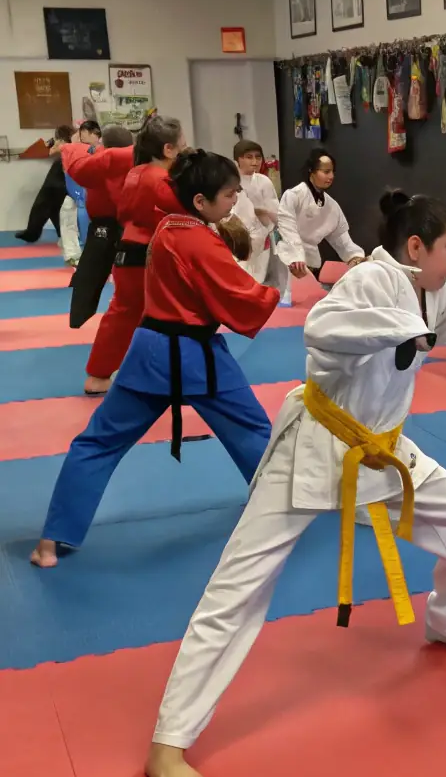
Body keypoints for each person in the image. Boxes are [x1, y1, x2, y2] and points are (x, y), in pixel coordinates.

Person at [144, 187, 446, 777]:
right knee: (238, 587)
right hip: (313, 448)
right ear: (415, 248)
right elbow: (322, 326)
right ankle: (168, 742)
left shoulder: (431, 291)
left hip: (381, 452)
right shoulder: (369, 283)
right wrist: (406, 328)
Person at [30, 150, 278, 571]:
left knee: (98, 443)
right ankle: (280, 511)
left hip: (149, 353)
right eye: (229, 194)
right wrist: (273, 284)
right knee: (255, 430)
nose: (235, 201)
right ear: (200, 201)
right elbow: (243, 299)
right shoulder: (198, 240)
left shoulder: (168, 224)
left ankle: (50, 543)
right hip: (196, 359)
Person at [81, 114, 184, 396]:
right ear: (168, 149)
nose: (183, 151)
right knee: (166, 317)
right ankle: (162, 375)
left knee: (123, 314)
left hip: (127, 249)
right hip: (148, 255)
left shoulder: (135, 173)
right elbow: (179, 214)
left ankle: (99, 375)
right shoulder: (160, 178)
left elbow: (124, 212)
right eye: (181, 146)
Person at [62, 124, 137, 337]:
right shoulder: (139, 162)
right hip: (130, 225)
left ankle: (80, 316)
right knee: (129, 276)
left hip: (104, 224)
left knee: (90, 273)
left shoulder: (98, 160)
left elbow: (74, 164)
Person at [276, 148, 365, 304]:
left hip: (309, 261)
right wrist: (297, 256)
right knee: (286, 301)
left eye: (332, 172)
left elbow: (341, 239)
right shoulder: (293, 195)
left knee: (308, 305)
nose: (331, 176)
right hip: (288, 258)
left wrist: (355, 257)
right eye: (326, 172)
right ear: (312, 171)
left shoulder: (332, 206)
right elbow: (287, 228)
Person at [230, 139, 280, 284]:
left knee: (257, 280)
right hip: (234, 237)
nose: (255, 161)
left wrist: (262, 213)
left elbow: (275, 212)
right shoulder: (229, 181)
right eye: (249, 157)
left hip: (260, 236)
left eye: (258, 157)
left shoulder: (264, 181)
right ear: (238, 159)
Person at [16, 125, 72, 244]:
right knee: (53, 208)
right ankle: (60, 233)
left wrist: (54, 145)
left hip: (60, 182)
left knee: (44, 203)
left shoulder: (67, 147)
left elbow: (52, 151)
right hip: (62, 182)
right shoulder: (70, 145)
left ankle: (33, 232)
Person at [58, 121, 102, 267]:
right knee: (67, 215)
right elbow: (66, 169)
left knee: (87, 220)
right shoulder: (70, 148)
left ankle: (88, 252)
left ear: (93, 134)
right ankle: (72, 254)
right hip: (75, 188)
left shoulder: (102, 149)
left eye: (83, 132)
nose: (81, 135)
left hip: (91, 192)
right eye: (80, 132)